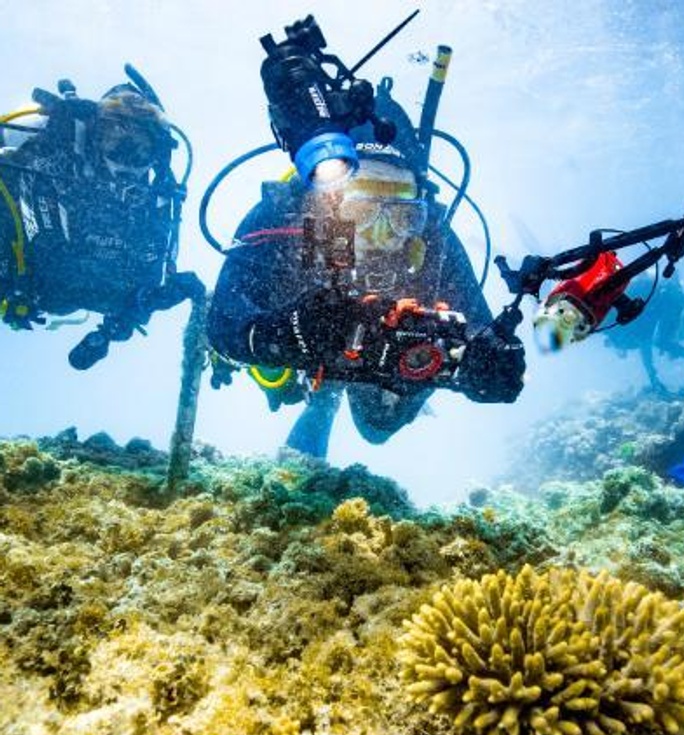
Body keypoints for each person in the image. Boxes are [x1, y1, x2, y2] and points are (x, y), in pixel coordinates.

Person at [207, 81, 525, 459]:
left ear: (420, 208)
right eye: (360, 212)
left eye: (402, 215)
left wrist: (484, 366)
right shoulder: (284, 215)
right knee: (282, 388)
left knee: (377, 427)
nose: (381, 235)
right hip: (298, 348)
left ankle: (352, 387)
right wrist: (291, 332)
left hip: (383, 357)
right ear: (326, 201)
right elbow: (223, 325)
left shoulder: (433, 236)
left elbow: (478, 329)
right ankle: (322, 399)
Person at [0, 69, 203, 369]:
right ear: (94, 133)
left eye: (140, 149)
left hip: (57, 290)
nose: (126, 158)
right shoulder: (54, 140)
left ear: (156, 154)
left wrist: (148, 303)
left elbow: (141, 289)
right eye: (115, 139)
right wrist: (48, 130)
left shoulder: (155, 199)